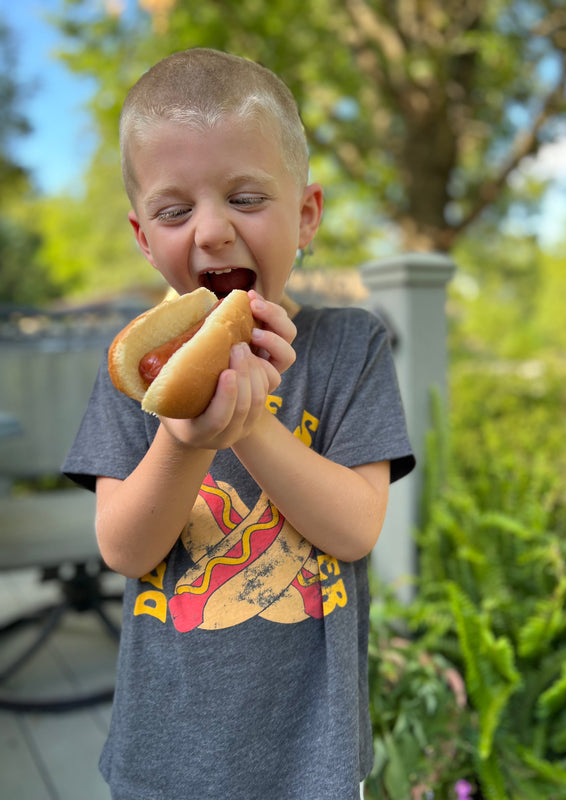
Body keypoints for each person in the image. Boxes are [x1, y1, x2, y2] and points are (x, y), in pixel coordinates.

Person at [63, 48, 415, 800]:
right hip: (163, 756)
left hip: (311, 759)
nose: (213, 231)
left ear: (307, 214)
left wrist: (250, 425)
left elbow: (355, 529)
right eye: (175, 210)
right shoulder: (136, 370)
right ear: (142, 236)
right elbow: (124, 548)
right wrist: (185, 435)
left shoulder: (351, 346)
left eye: (246, 198)